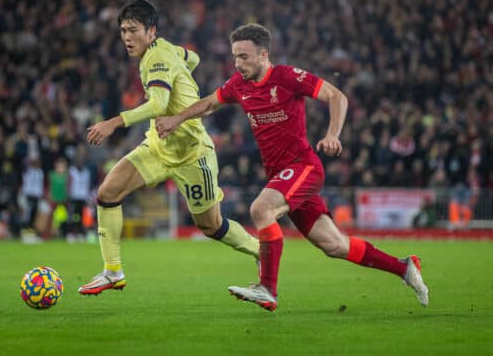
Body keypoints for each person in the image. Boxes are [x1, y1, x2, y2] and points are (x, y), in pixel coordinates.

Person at [156, 23, 429, 311]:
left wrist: (333, 134)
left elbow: (337, 97)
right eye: (235, 57)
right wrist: (176, 119)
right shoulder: (239, 84)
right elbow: (210, 103)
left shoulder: (287, 77)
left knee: (261, 209)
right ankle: (404, 268)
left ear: (264, 55)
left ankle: (267, 289)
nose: (238, 64)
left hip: (303, 167)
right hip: (283, 178)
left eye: (244, 57)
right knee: (335, 245)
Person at [78, 0, 259, 295]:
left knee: (211, 226)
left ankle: (260, 250)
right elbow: (195, 59)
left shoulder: (156, 58)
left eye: (133, 30)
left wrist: (113, 123)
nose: (126, 37)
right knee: (107, 193)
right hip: (159, 146)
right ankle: (112, 271)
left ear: (151, 31)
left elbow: (160, 103)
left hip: (191, 152)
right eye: (123, 30)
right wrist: (181, 70)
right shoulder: (166, 49)